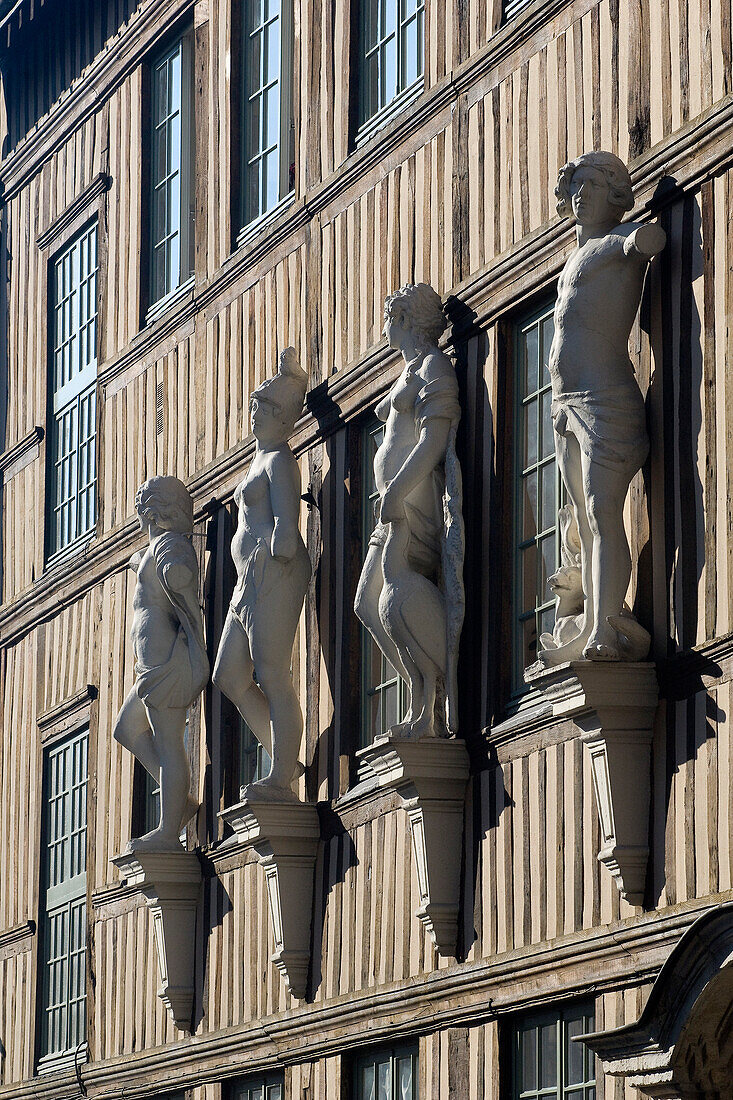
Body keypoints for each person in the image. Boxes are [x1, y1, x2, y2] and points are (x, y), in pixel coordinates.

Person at [537, 151, 665, 665]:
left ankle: (608, 627)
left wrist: (637, 240)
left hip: (603, 397)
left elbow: (646, 240)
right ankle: (593, 621)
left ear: (614, 191)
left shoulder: (621, 241)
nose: (580, 194)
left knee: (600, 509)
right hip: (564, 403)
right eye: (575, 186)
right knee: (585, 520)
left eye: (591, 184)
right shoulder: (575, 257)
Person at [354, 282, 464, 739]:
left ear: (404, 320)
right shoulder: (411, 370)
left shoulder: (435, 365)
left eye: (388, 317)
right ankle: (422, 691)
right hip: (395, 506)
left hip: (413, 505)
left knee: (392, 595)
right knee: (366, 603)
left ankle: (430, 701)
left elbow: (434, 440)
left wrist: (396, 491)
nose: (384, 327)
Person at [212, 348, 311, 801]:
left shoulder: (279, 462)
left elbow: (287, 532)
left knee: (271, 672)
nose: (256, 415)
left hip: (274, 572)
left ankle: (282, 772)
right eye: (255, 407)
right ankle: (284, 755)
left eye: (266, 409)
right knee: (229, 675)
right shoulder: (260, 458)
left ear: (284, 419)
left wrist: (273, 549)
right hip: (247, 581)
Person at [113, 476, 209, 852]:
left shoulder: (169, 546)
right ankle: (178, 801)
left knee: (169, 740)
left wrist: (172, 571)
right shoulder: (157, 547)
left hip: (162, 654)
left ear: (151, 512)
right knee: (127, 728)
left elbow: (181, 576)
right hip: (150, 656)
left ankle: (169, 831)